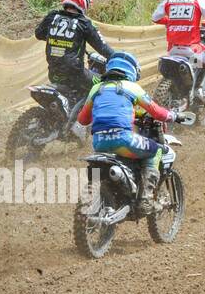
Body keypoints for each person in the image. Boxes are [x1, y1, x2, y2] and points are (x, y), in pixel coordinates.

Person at [76, 52, 192, 213]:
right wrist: (174, 115)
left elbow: (82, 120)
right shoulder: (131, 87)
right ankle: (145, 199)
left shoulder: (97, 88)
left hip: (99, 143)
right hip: (122, 140)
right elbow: (157, 112)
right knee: (156, 150)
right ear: (131, 70)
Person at [35, 0, 114, 107]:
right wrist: (118, 57)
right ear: (83, 2)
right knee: (104, 84)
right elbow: (104, 49)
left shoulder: (52, 17)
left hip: (54, 74)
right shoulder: (84, 23)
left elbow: (39, 34)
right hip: (76, 74)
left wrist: (58, 38)